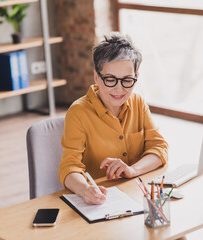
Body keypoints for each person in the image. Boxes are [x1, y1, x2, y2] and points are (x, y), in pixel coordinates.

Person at [58, 32, 168, 205]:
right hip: (101, 201)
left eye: (127, 80)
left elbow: (159, 148)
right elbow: (68, 167)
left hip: (136, 193)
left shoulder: (138, 102)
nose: (119, 89)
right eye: (110, 80)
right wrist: (85, 190)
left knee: (171, 229)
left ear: (136, 78)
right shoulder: (78, 112)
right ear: (96, 77)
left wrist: (132, 170)